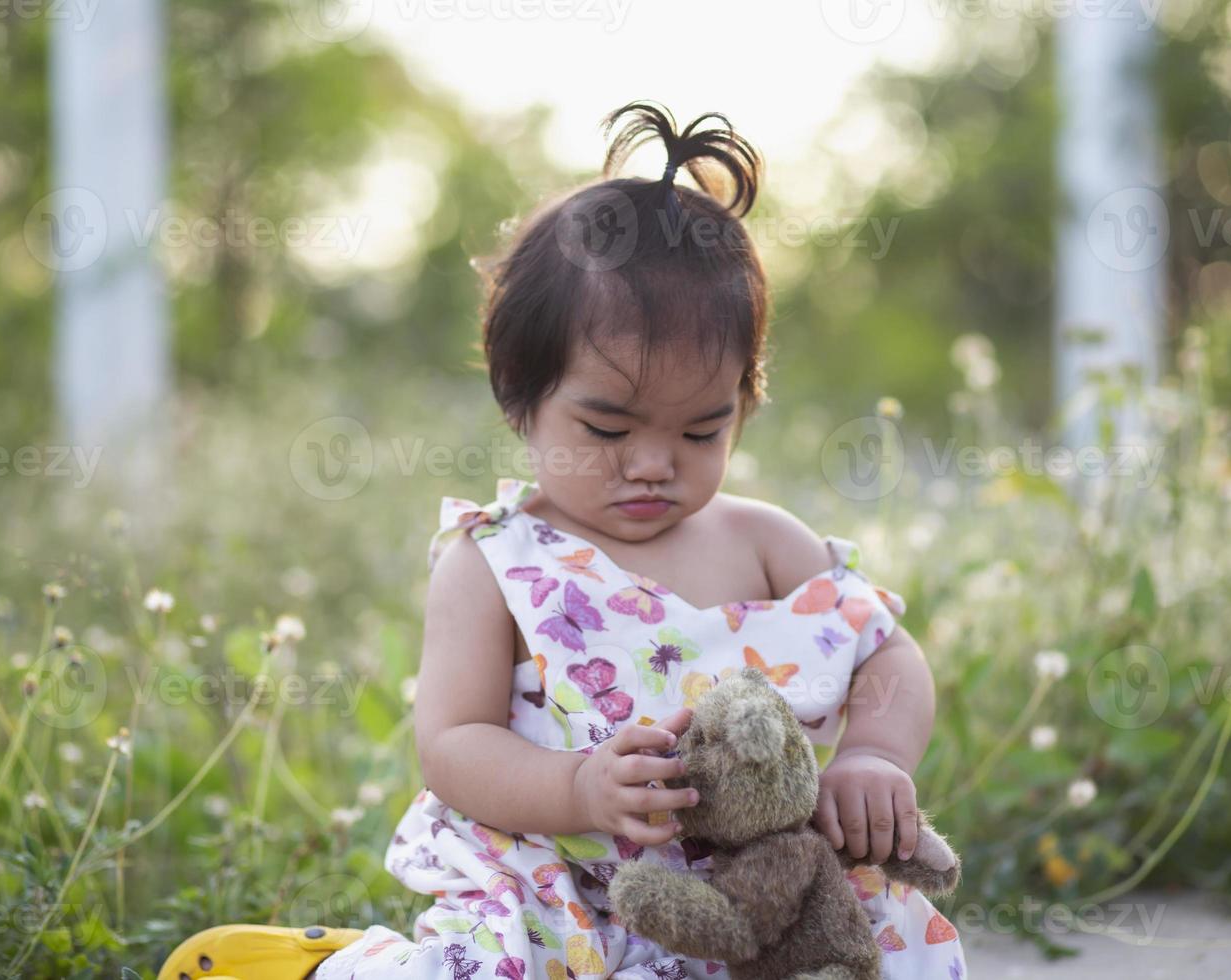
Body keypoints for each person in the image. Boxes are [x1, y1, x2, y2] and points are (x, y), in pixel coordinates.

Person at [160, 100, 967, 980]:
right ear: (521, 397)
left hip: (763, 898)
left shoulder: (767, 540)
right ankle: (332, 969)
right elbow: (456, 743)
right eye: (609, 430)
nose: (655, 465)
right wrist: (578, 787)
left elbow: (887, 657)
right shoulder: (496, 563)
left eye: (702, 431)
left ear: (746, 400)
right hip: (566, 892)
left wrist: (874, 755)